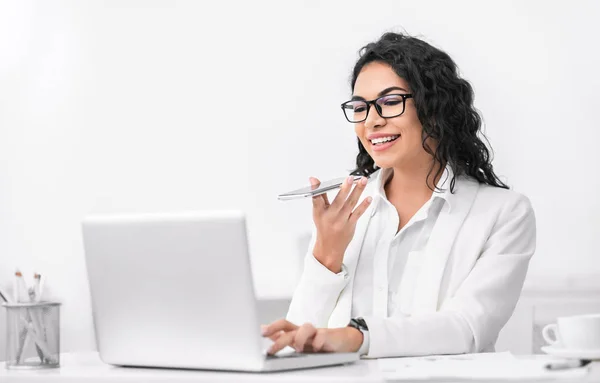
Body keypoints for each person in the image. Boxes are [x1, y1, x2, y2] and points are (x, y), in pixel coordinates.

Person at [261, 32, 536, 358]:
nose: (372, 121)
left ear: (434, 107)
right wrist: (326, 256)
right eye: (360, 107)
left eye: (390, 102)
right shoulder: (344, 215)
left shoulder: (504, 214)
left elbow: (466, 329)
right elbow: (297, 344)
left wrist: (358, 337)